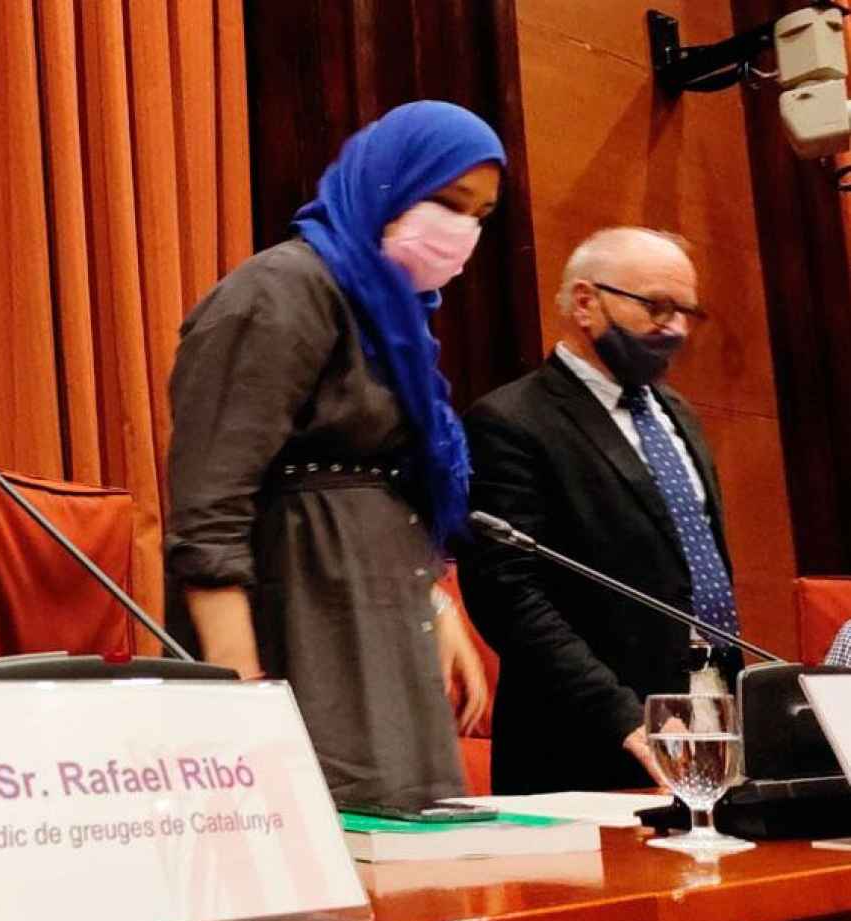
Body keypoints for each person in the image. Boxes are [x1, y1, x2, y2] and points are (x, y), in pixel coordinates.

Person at [164, 101, 502, 807]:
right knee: (315, 834)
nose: (461, 231)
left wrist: (433, 602)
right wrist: (240, 694)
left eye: (480, 215)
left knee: (409, 848)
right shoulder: (281, 291)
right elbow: (210, 505)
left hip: (377, 621)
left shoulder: (392, 318)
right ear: (386, 181)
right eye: (445, 200)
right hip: (300, 617)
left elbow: (394, 484)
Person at [458, 227, 743, 794]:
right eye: (659, 307)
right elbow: (507, 595)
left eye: (688, 312)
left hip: (710, 714)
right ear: (586, 302)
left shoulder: (679, 414)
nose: (677, 329)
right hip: (585, 742)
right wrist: (625, 720)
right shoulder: (513, 420)